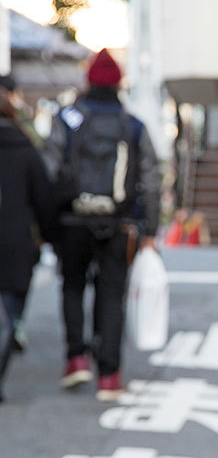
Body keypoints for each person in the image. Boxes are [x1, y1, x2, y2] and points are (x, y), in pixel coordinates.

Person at [42, 48, 161, 399]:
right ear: (119, 83)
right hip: (120, 223)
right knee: (112, 294)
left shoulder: (68, 118)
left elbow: (50, 171)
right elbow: (152, 178)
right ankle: (109, 375)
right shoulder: (133, 125)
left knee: (73, 286)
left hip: (72, 220)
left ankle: (76, 358)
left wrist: (50, 224)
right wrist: (150, 229)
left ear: (88, 80)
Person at [0, 73, 57, 399]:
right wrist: (49, 235)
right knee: (10, 307)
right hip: (16, 240)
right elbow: (43, 197)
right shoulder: (26, 145)